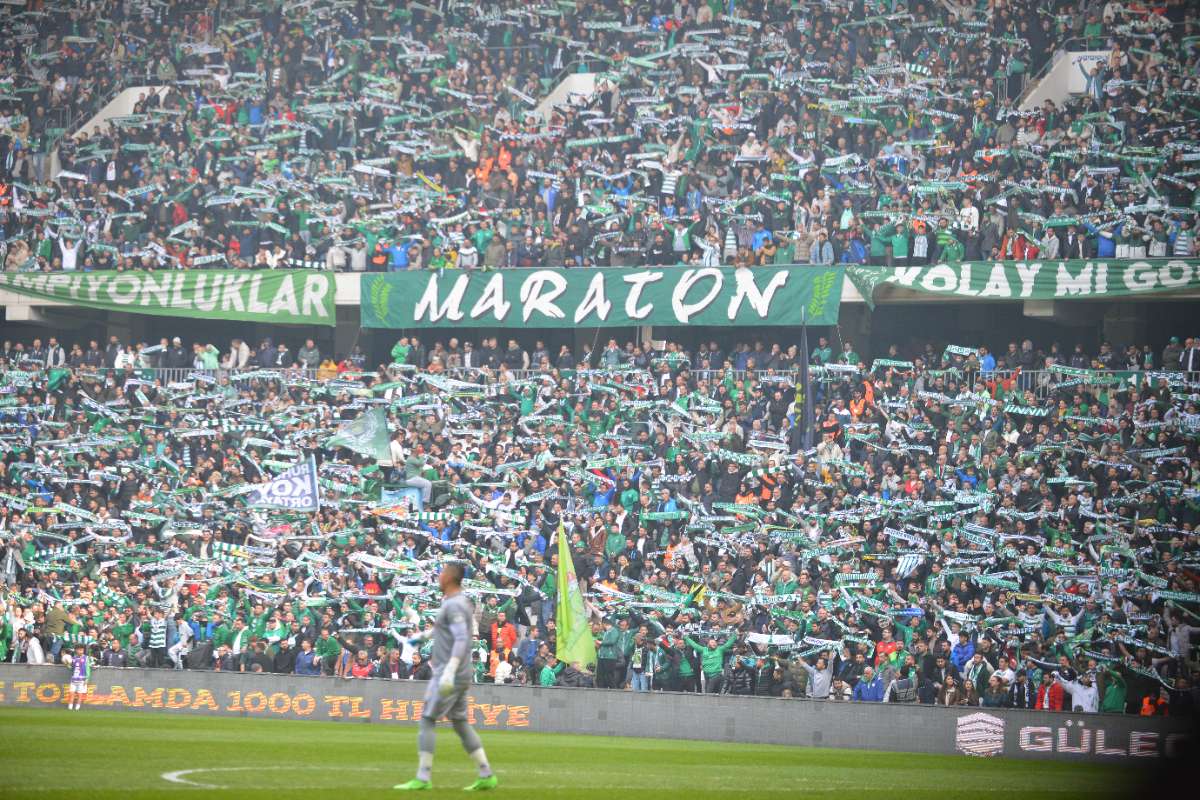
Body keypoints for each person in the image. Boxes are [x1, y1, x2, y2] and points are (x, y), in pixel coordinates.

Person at [394, 563, 497, 792]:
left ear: (450, 577)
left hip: (450, 673)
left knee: (428, 718)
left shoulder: (456, 604)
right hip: (456, 673)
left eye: (442, 572)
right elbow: (442, 630)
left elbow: (462, 639)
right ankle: (486, 774)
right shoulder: (452, 603)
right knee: (460, 723)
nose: (438, 576)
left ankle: (423, 777)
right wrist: (420, 636)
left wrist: (450, 669)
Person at [67, 644, 92, 711]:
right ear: (76, 650)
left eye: (82, 649)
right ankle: (70, 707)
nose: (81, 651)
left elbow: (88, 669)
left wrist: (87, 678)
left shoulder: (86, 658)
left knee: (80, 694)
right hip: (74, 679)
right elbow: (71, 668)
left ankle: (77, 707)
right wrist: (67, 665)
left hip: (82, 680)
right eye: (79, 649)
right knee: (71, 693)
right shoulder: (74, 658)